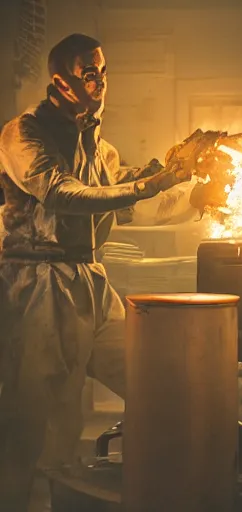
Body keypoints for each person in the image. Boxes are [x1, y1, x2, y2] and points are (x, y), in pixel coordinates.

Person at [0, 33, 216, 511]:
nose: (100, 82)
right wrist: (148, 184)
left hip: (92, 285)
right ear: (61, 81)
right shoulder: (24, 133)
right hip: (37, 287)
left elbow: (134, 210)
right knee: (35, 428)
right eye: (88, 73)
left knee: (155, 378)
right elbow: (62, 194)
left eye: (103, 71)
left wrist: (189, 190)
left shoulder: (103, 150)